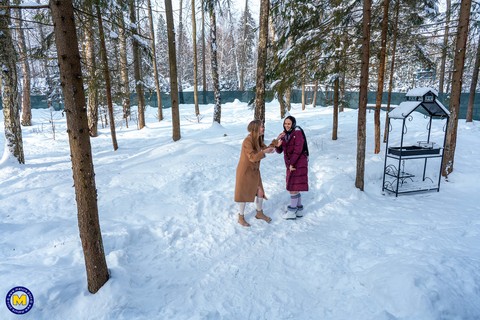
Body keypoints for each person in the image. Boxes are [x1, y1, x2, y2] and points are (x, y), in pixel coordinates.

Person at [234, 120, 275, 227]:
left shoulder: (258, 139)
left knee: (260, 191)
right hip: (245, 171)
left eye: (263, 126)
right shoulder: (247, 141)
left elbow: (264, 148)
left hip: (255, 171)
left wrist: (276, 142)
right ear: (255, 128)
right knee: (244, 194)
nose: (263, 128)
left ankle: (259, 213)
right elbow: (252, 157)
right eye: (262, 126)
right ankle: (241, 217)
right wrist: (264, 152)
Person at [275, 115, 309, 219]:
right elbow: (279, 151)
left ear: (293, 124)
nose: (287, 125)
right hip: (292, 164)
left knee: (293, 187)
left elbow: (297, 150)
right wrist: (278, 141)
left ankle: (292, 212)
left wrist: (291, 164)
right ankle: (298, 210)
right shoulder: (285, 134)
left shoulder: (297, 133)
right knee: (295, 187)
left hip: (297, 163)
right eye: (285, 123)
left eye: (289, 123)